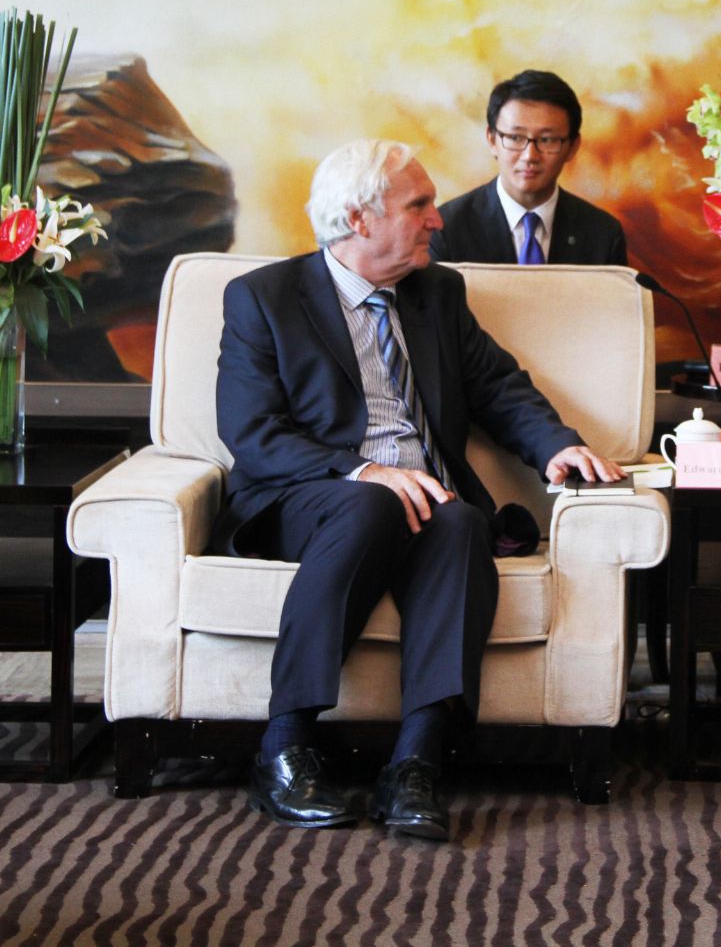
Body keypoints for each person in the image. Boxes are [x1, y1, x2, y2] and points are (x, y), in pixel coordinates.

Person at [215, 138, 623, 841]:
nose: (438, 218)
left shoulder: (438, 293)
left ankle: (417, 763)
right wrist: (366, 471)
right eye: (419, 205)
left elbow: (497, 386)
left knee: (461, 521)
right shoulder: (265, 298)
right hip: (311, 494)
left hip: (428, 498)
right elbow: (250, 432)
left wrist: (557, 446)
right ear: (359, 219)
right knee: (376, 502)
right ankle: (284, 749)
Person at [430, 69, 627, 267]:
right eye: (515, 137)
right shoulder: (445, 229)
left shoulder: (604, 234)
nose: (530, 156)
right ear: (492, 140)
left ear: (572, 147)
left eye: (547, 140)